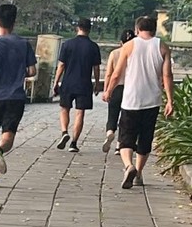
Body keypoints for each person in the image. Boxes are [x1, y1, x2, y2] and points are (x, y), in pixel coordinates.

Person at [101, 13, 174, 189]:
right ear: (154, 29)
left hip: (131, 99)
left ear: (137, 29)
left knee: (126, 137)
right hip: (152, 100)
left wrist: (108, 90)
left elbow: (117, 73)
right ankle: (139, 173)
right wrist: (170, 101)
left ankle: (129, 166)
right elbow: (167, 76)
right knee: (145, 138)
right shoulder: (162, 47)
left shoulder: (129, 46)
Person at [0, 2, 35, 187]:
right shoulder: (23, 44)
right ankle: (0, 151)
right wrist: (20, 73)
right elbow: (32, 71)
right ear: (14, 22)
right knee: (8, 136)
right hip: (15, 97)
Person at [52, 18, 103, 152]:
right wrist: (97, 84)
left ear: (77, 28)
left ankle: (64, 132)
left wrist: (56, 82)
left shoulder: (68, 44)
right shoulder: (93, 46)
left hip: (68, 82)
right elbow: (96, 68)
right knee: (80, 113)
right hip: (84, 84)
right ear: (89, 29)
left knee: (64, 108)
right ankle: (74, 143)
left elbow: (61, 65)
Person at [100, 24, 133, 153]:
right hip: (130, 89)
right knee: (126, 118)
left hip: (116, 88)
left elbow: (109, 73)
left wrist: (106, 90)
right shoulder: (134, 53)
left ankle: (110, 132)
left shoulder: (114, 53)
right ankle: (120, 145)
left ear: (120, 42)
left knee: (112, 114)